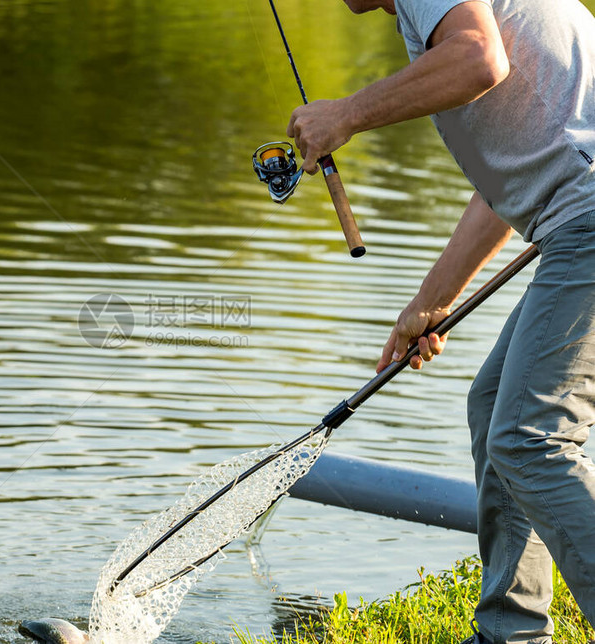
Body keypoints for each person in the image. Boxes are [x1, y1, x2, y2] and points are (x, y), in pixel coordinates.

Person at [286, 0, 595, 642]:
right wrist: (431, 302)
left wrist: (345, 114)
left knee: (530, 437)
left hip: (586, 221)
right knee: (495, 411)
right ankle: (509, 633)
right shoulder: (429, 15)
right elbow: (509, 182)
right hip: (572, 215)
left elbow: (479, 60)